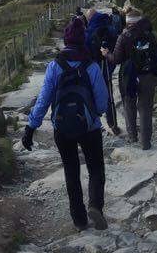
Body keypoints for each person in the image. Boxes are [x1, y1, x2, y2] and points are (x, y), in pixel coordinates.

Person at [22, 17, 110, 231]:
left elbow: (43, 99)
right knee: (96, 167)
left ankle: (79, 220)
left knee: (71, 171)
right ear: (83, 40)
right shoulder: (91, 66)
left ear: (65, 40)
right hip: (89, 128)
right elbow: (102, 103)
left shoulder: (54, 66)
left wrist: (30, 127)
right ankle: (95, 206)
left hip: (62, 128)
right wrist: (94, 114)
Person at [108, 4, 157, 150]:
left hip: (129, 76)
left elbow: (116, 59)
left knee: (129, 104)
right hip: (148, 74)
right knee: (145, 108)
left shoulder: (124, 36)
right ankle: (145, 142)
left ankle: (132, 137)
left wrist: (106, 54)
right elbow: (156, 54)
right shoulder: (149, 35)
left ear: (128, 21)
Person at [85, 8, 121, 135]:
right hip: (107, 66)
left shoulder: (89, 30)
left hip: (93, 67)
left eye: (88, 18)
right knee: (109, 95)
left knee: (91, 95)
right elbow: (116, 45)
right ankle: (113, 124)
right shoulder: (109, 26)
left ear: (91, 18)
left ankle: (95, 124)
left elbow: (86, 48)